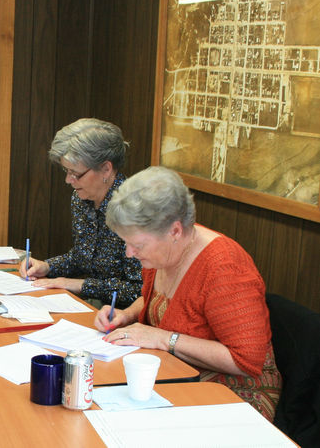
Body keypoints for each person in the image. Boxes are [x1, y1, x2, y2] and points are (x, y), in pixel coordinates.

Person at [94, 166, 282, 420]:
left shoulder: (224, 268)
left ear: (174, 231)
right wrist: (126, 315)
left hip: (234, 392)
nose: (129, 253)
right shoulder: (165, 250)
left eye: (137, 245)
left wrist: (162, 338)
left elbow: (245, 361)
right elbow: (164, 303)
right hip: (176, 371)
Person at [19, 118, 142, 308]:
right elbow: (82, 257)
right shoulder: (81, 199)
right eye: (66, 171)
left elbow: (138, 290)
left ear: (106, 169)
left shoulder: (135, 209)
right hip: (89, 305)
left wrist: (78, 285)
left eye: (76, 173)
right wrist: (48, 267)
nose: (68, 180)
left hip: (122, 315)